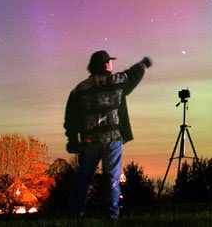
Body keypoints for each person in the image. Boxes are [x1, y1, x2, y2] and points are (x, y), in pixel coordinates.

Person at [64, 50, 152, 219]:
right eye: (110, 61)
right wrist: (143, 64)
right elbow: (132, 75)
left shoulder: (80, 89)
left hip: (89, 141)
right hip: (112, 139)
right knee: (111, 177)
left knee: (83, 178)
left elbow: (71, 117)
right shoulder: (117, 82)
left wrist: (72, 139)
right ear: (106, 64)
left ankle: (75, 214)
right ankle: (111, 215)